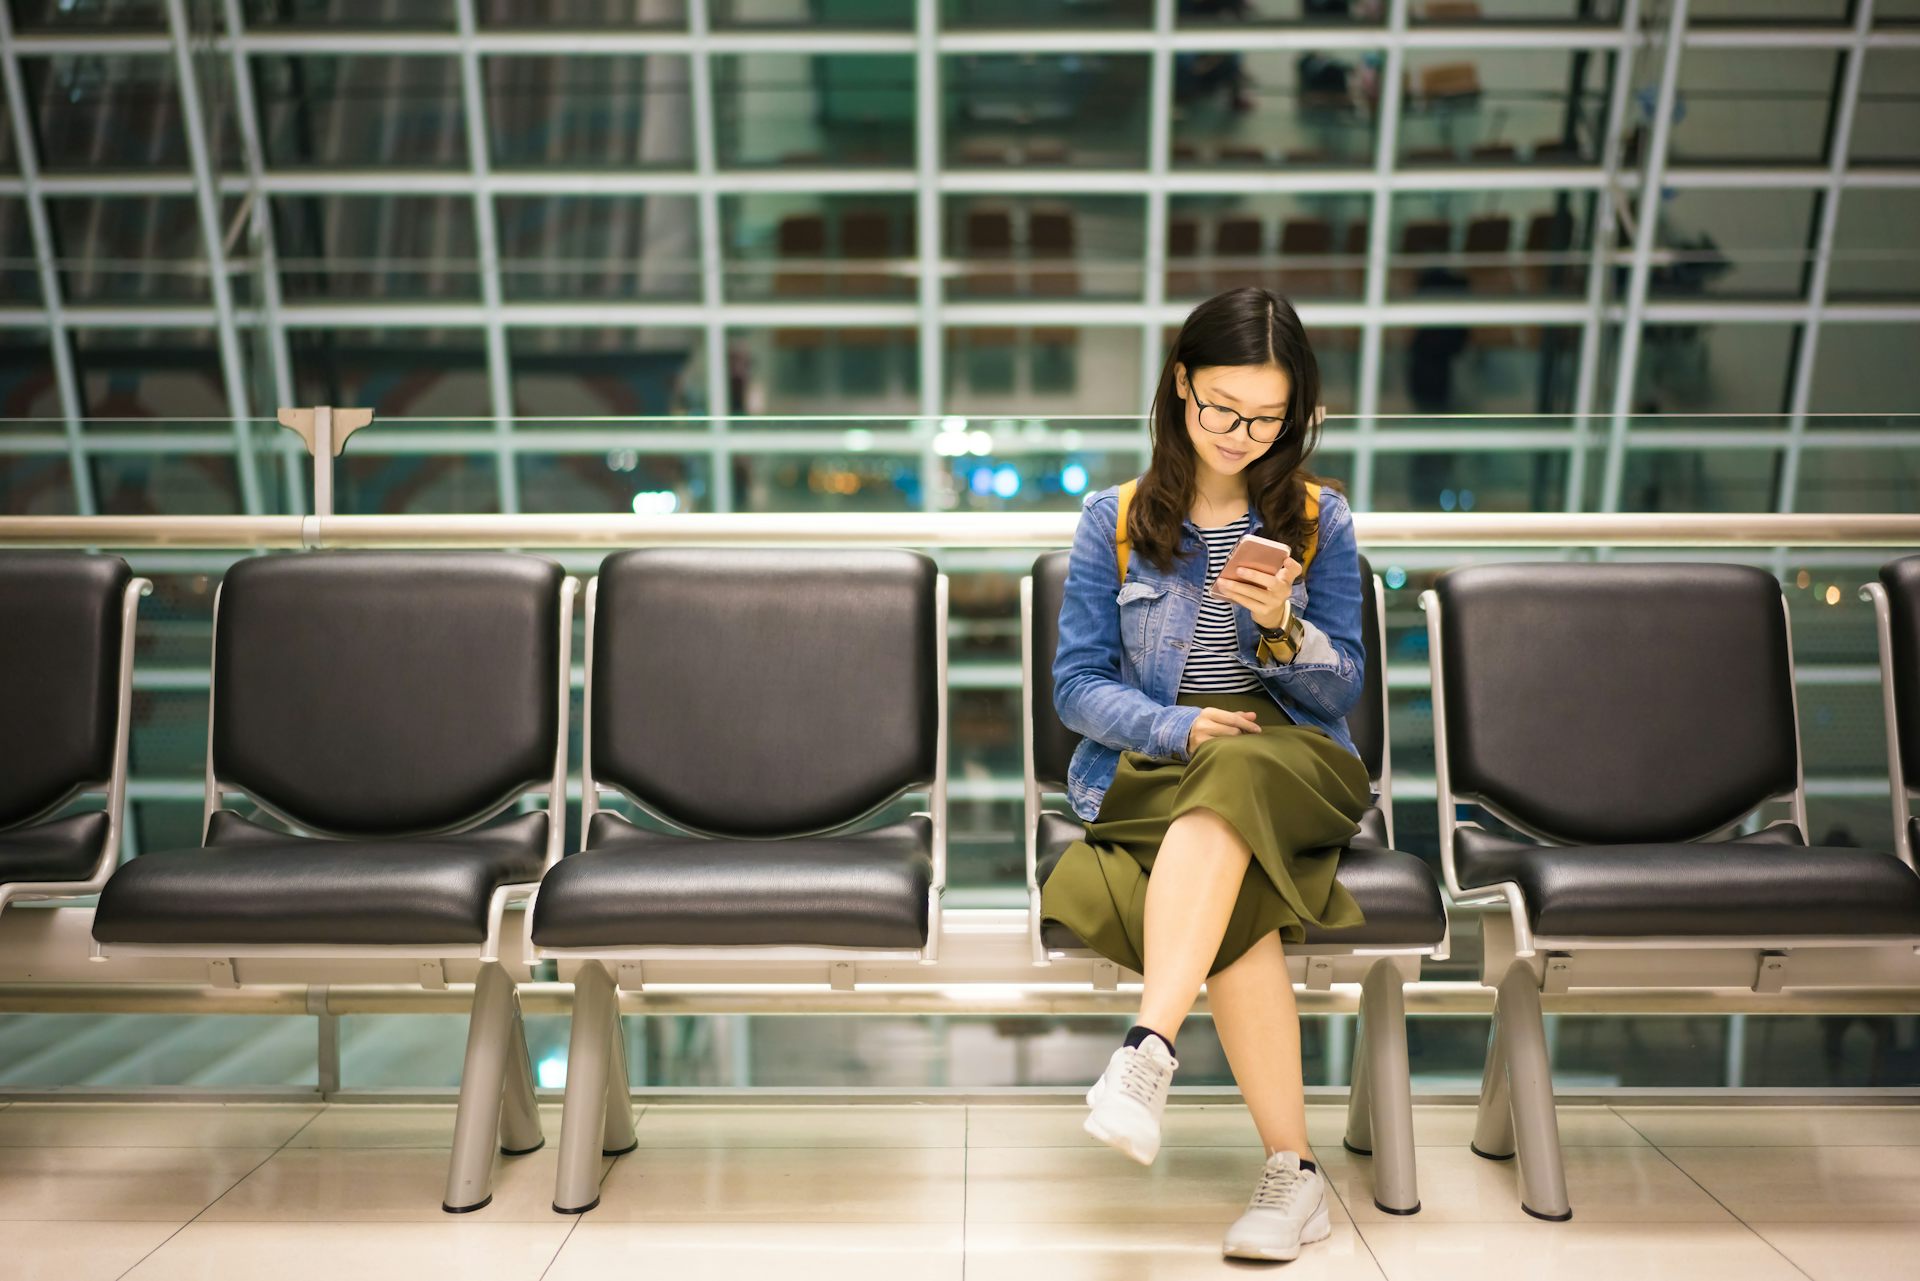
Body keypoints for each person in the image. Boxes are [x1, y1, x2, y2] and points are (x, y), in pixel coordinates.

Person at [1040, 285, 1369, 1263]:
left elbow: (1342, 681)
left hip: (1296, 759)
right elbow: (1075, 687)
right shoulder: (1118, 518)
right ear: (1180, 387)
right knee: (1238, 894)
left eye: (1269, 418)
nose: (1242, 434)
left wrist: (1279, 628)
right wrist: (1178, 726)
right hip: (1161, 762)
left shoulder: (1320, 519)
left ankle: (1147, 1052)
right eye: (1222, 409)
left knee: (1239, 778)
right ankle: (1293, 1175)